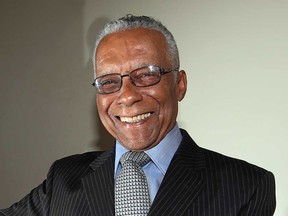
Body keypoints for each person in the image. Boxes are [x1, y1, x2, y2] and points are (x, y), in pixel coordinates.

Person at [0, 15, 276, 216]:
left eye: (146, 75)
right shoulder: (63, 177)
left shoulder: (247, 185)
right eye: (108, 81)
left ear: (179, 85)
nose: (127, 95)